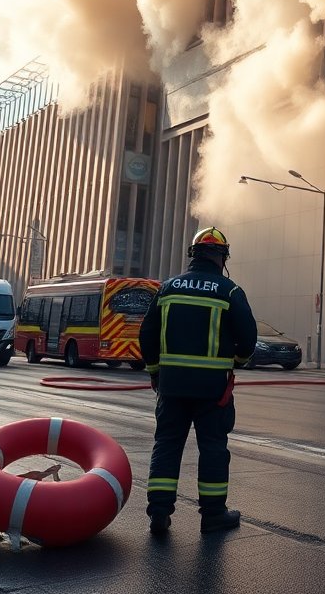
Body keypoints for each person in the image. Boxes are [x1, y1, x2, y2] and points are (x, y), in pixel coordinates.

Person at [139, 227, 258, 536]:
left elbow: (147, 334)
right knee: (214, 448)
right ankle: (213, 515)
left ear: (193, 254)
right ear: (223, 257)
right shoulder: (229, 291)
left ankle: (159, 512)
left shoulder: (168, 289)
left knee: (166, 445)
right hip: (213, 390)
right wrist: (236, 363)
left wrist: (155, 371)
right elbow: (248, 338)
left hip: (172, 386)